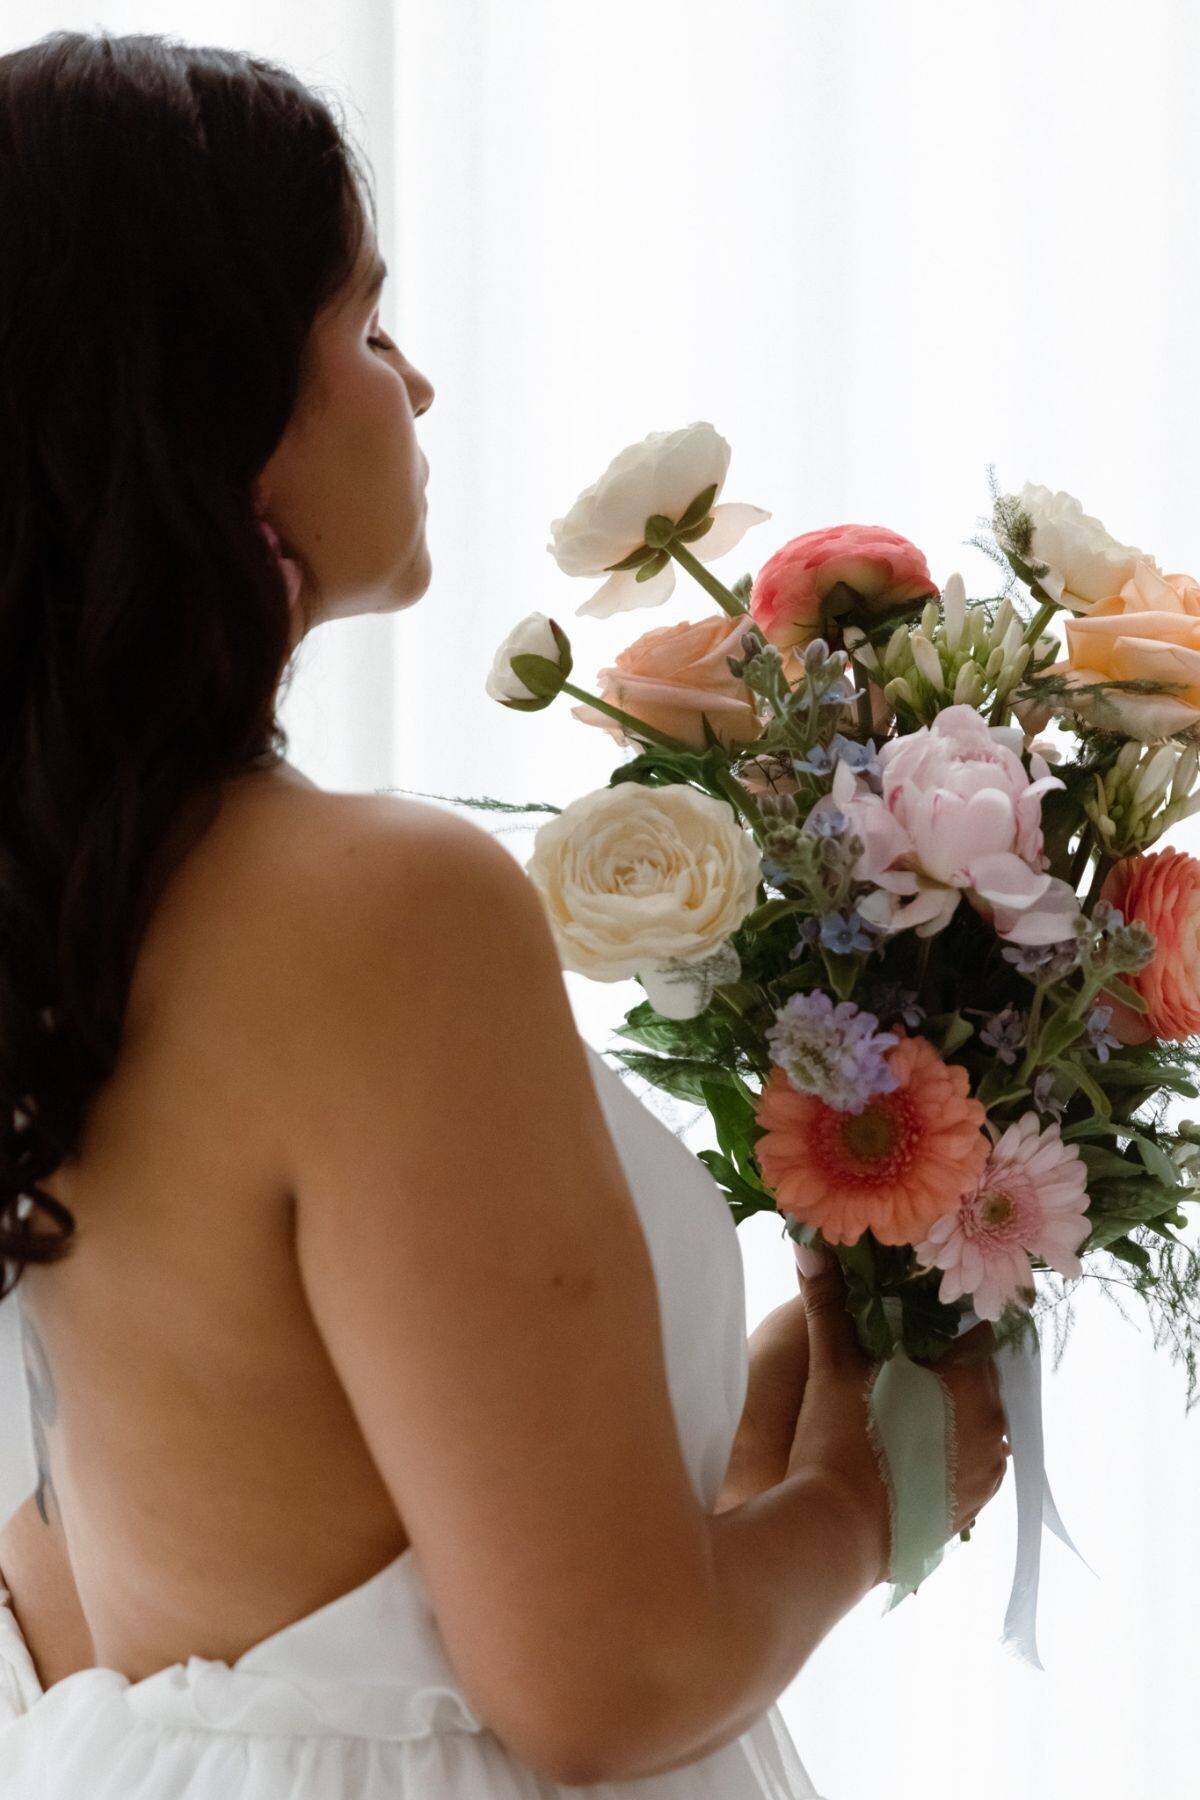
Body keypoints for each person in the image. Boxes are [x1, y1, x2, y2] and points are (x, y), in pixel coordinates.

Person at [0, 28, 1009, 1798]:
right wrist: (862, 1493)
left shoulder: (71, 899)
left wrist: (728, 1462)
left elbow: (85, 1591)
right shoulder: (375, 908)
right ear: (216, 405)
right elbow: (604, 1687)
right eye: (367, 325)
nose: (420, 390)